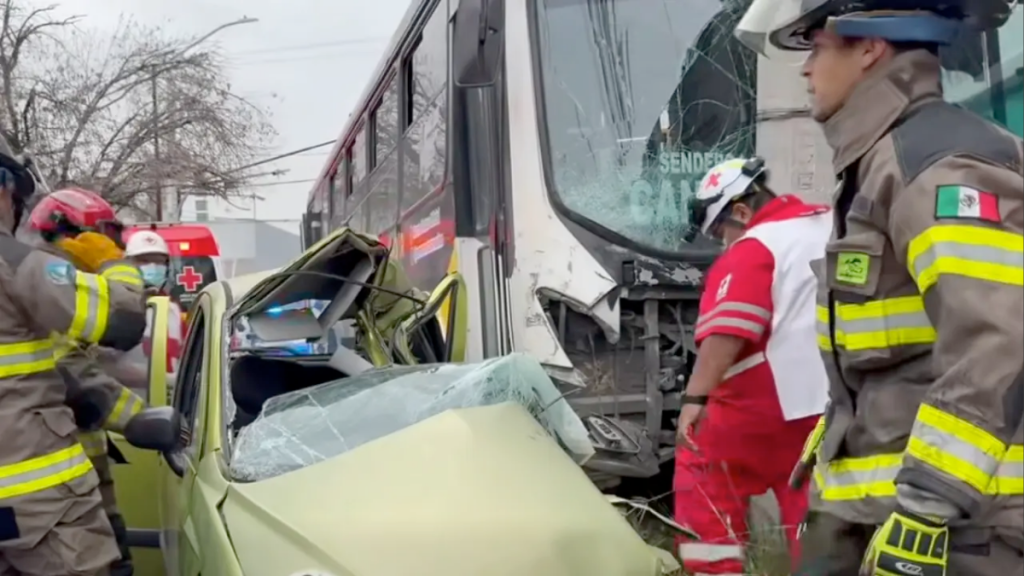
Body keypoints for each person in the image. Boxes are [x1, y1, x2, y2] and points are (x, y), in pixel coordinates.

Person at [733, 1, 1024, 574]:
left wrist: (926, 506)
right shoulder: (879, 165)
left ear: (870, 47)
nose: (805, 69)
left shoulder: (939, 165)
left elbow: (996, 343)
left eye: (815, 46)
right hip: (869, 521)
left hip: (956, 532)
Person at [673, 156, 831, 574]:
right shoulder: (834, 222)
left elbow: (730, 329)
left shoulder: (755, 246)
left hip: (769, 401)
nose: (723, 243)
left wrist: (695, 398)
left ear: (742, 212)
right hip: (834, 401)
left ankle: (715, 568)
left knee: (701, 461)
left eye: (721, 231)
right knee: (807, 498)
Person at [0, 143, 147, 574]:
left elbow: (71, 377)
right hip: (41, 506)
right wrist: (113, 263)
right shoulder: (19, 266)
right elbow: (123, 321)